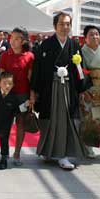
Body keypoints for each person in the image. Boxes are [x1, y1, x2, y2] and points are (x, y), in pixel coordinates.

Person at [30, 11, 85, 170]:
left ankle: (63, 154)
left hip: (69, 88)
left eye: (68, 24)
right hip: (50, 89)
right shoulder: (45, 45)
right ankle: (49, 151)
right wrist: (34, 91)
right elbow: (38, 70)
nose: (64, 27)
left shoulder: (74, 45)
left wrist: (81, 89)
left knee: (66, 121)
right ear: (55, 26)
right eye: (61, 24)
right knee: (49, 120)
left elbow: (80, 69)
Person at [0, 27, 34, 166]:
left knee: (20, 124)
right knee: (5, 125)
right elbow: (0, 75)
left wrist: (31, 96)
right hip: (7, 95)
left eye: (17, 38)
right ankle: (4, 153)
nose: (13, 41)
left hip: (22, 95)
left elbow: (32, 79)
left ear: (24, 40)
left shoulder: (30, 56)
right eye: (11, 38)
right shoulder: (5, 55)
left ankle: (17, 153)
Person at [79, 25, 100, 159]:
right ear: (85, 38)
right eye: (91, 34)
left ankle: (91, 144)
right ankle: (85, 146)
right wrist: (84, 89)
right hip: (88, 89)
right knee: (86, 118)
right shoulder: (81, 52)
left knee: (98, 118)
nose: (95, 37)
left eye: (97, 34)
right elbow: (80, 72)